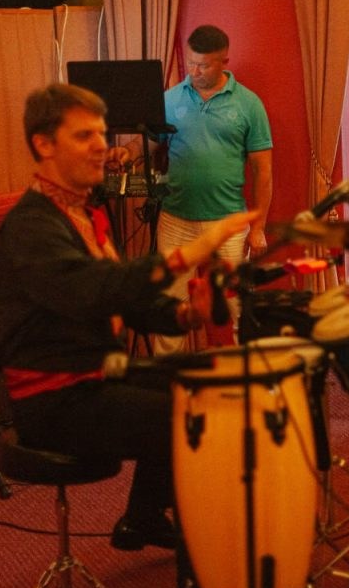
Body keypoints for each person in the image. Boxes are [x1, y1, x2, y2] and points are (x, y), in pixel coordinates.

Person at [0, 82, 256, 588]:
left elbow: (126, 299)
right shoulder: (31, 226)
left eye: (100, 133)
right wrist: (192, 252)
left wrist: (185, 315)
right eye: (84, 135)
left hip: (93, 375)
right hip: (54, 398)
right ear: (44, 144)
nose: (101, 145)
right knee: (192, 417)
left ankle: (142, 517)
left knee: (204, 382)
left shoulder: (84, 213)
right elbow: (93, 291)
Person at [111, 24, 273, 353]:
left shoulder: (249, 104)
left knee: (238, 306)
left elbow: (263, 170)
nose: (195, 71)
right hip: (176, 219)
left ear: (224, 62)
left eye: (204, 65)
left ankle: (250, 371)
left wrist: (258, 227)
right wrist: (127, 152)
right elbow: (148, 144)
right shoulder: (170, 99)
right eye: (191, 63)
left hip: (228, 221)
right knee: (171, 305)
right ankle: (168, 376)